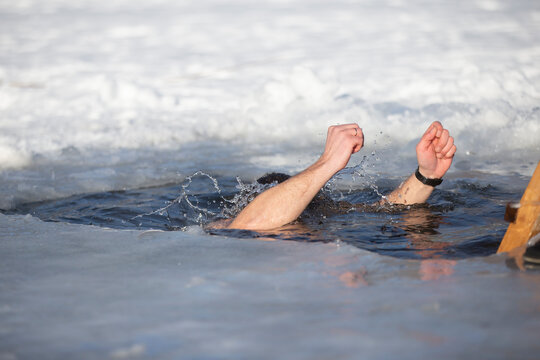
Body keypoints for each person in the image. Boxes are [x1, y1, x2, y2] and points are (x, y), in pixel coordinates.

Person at [220, 121, 456, 231]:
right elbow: (247, 226)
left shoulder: (322, 215)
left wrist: (427, 176)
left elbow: (386, 209)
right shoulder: (221, 229)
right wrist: (328, 162)